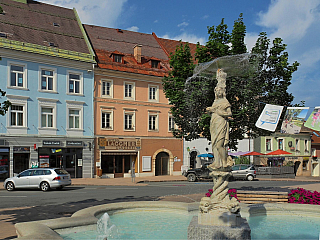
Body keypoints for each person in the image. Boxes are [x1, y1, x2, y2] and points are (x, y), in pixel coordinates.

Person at [207, 69, 232, 170]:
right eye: (216, 91)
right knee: (214, 144)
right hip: (213, 123)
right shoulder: (215, 101)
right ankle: (217, 162)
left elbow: (229, 113)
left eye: (219, 90)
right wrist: (210, 110)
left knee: (219, 144)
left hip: (221, 123)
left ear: (222, 91)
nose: (218, 92)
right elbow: (213, 110)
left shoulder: (225, 101)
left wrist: (218, 112)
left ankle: (224, 162)